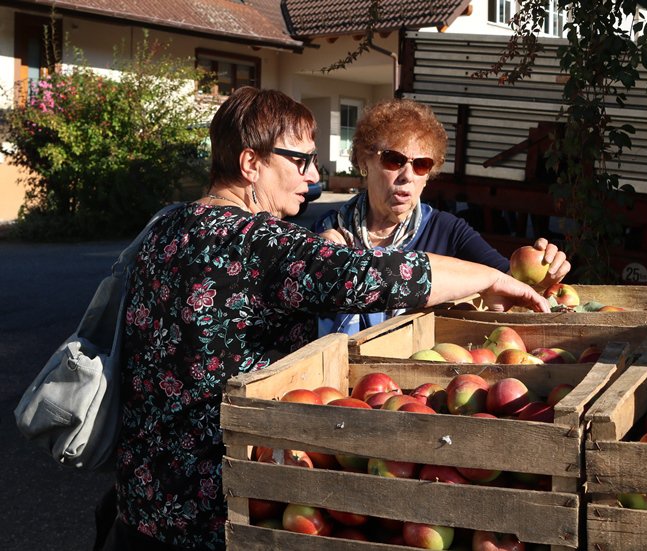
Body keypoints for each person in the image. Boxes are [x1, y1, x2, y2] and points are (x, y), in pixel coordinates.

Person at [100, 87, 550, 551]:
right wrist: (495, 280)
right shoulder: (257, 240)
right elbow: (377, 274)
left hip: (138, 501)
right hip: (212, 512)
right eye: (300, 161)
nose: (314, 176)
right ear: (250, 164)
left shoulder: (165, 227)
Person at [314, 98, 571, 335]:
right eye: (394, 159)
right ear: (363, 160)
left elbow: (507, 280)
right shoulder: (326, 230)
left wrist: (544, 276)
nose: (408, 175)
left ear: (428, 176)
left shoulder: (448, 231)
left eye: (421, 164)